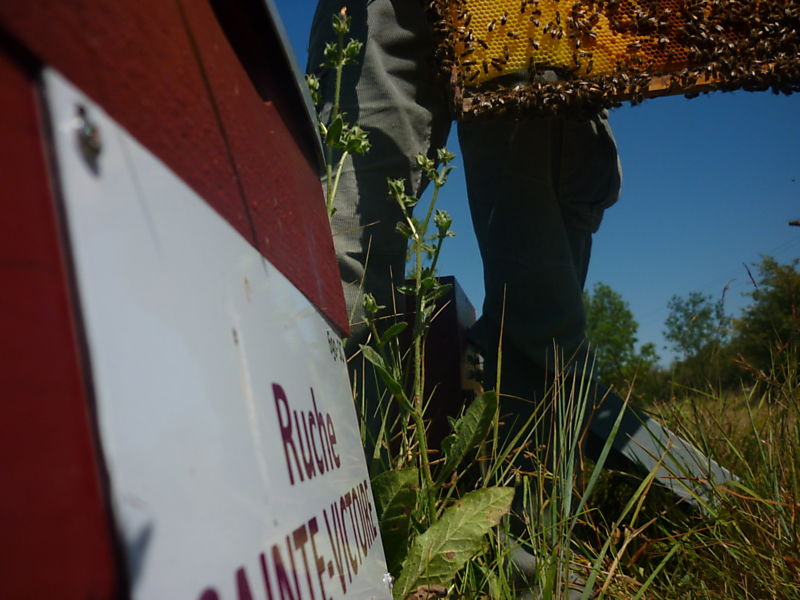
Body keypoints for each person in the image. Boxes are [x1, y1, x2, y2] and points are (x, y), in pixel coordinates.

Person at [307, 0, 621, 415]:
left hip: (521, 14)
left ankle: (537, 468)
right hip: (373, 12)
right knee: (338, 246)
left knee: (539, 292)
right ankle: (335, 457)